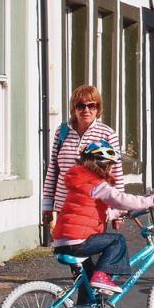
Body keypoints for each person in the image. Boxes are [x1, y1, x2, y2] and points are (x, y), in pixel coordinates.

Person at [52, 141, 154, 296]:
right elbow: (120, 199)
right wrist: (148, 201)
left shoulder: (81, 183)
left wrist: (118, 213)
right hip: (78, 241)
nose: (111, 170)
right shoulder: (97, 184)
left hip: (64, 240)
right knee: (117, 241)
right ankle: (103, 276)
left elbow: (91, 212)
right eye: (110, 166)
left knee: (88, 282)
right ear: (103, 166)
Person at [43, 85, 124, 229]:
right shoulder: (62, 132)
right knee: (66, 249)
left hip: (93, 208)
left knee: (91, 248)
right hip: (64, 207)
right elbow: (53, 170)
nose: (86, 110)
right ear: (74, 108)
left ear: (98, 109)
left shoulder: (107, 135)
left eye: (91, 106)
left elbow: (116, 174)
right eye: (80, 106)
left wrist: (118, 211)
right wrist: (47, 205)